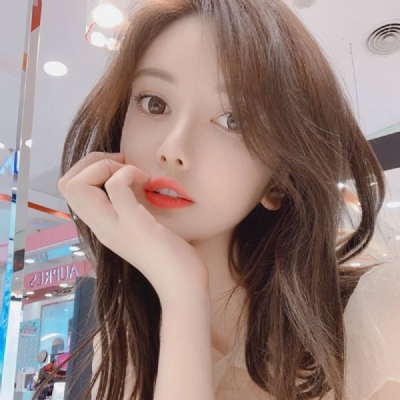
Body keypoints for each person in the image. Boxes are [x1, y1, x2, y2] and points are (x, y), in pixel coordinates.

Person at [36, 0, 400, 399]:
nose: (172, 149)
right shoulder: (126, 333)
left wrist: (182, 295)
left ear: (279, 182)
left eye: (233, 121)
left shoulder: (378, 318)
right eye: (154, 103)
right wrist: (181, 293)